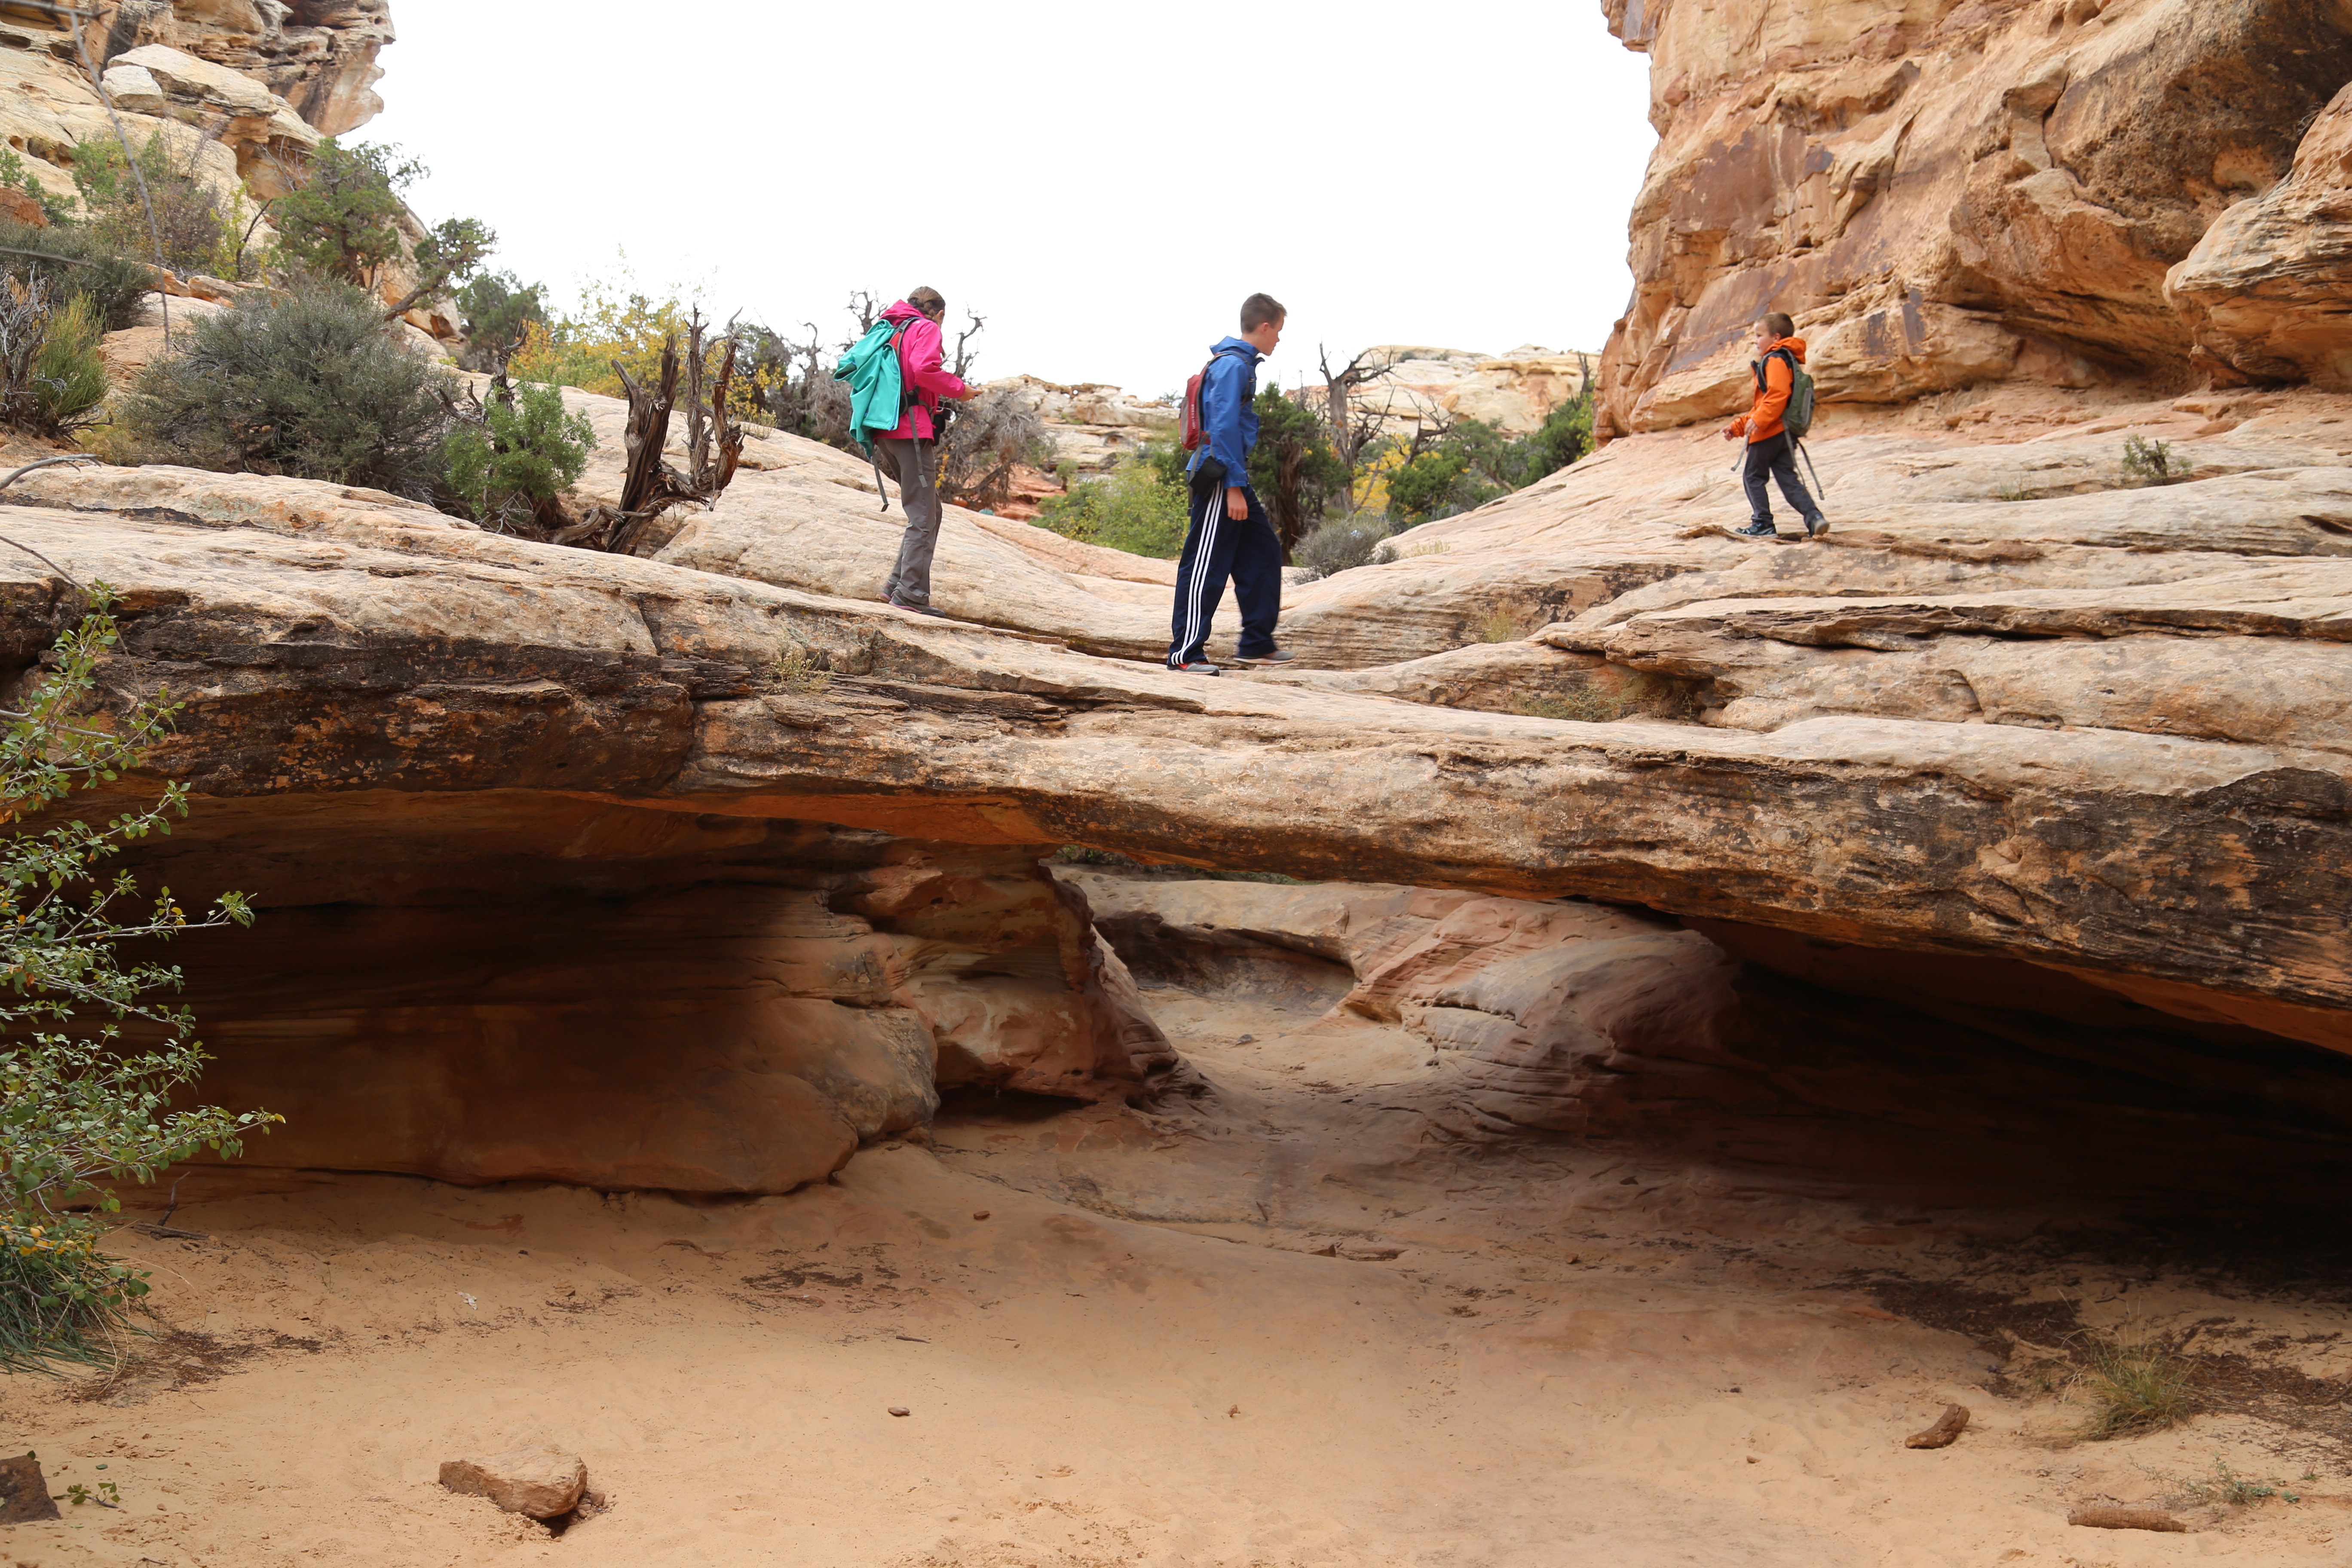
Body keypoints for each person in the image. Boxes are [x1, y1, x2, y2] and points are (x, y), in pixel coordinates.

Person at [1168, 292, 1293, 675]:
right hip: (1219, 477)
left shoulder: (1238, 363)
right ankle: (1185, 654)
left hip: (1230, 473)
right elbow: (1222, 428)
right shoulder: (1234, 366)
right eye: (1279, 332)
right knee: (1206, 565)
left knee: (1264, 550)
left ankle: (1256, 642)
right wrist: (1234, 487)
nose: (1279, 341)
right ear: (1265, 326)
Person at [876, 287, 977, 616]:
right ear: (940, 313)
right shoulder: (926, 328)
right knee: (922, 516)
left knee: (930, 510)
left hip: (884, 428)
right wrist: (960, 391)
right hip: (910, 431)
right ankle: (911, 594)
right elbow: (923, 370)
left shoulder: (892, 328)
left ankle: (896, 584)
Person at [1722, 310, 1827, 539]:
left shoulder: (1776, 359)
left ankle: (1762, 524)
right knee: (1788, 480)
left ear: (1776, 337)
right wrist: (1738, 427)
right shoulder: (1788, 359)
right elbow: (1766, 402)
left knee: (1753, 476)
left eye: (1760, 335)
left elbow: (1777, 396)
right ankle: (1815, 518)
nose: (1756, 341)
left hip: (1769, 431)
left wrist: (1758, 421)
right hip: (1784, 432)